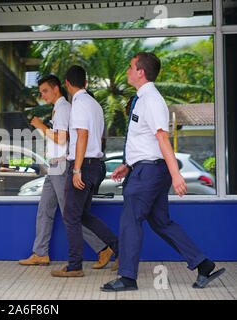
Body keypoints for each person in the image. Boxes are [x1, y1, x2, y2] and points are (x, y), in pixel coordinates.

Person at [101, 52, 225, 292]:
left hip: (149, 174)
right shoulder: (141, 99)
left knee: (130, 220)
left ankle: (127, 278)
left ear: (141, 72)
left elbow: (162, 137)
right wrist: (128, 163)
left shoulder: (152, 100)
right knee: (161, 222)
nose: (126, 71)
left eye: (130, 67)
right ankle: (203, 264)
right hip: (144, 169)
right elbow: (146, 141)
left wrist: (176, 174)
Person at [19, 75, 116, 269]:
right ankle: (40, 253)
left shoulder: (63, 109)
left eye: (45, 91)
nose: (42, 95)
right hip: (53, 167)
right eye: (41, 92)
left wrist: (40, 126)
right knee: (44, 210)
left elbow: (61, 140)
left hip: (61, 167)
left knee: (70, 215)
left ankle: (103, 248)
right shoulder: (59, 109)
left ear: (57, 89)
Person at [51, 66, 119, 277]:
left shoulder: (79, 104)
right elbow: (96, 139)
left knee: (70, 216)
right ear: (86, 83)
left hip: (85, 166)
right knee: (82, 215)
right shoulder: (95, 105)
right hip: (96, 164)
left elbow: (82, 135)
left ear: (67, 84)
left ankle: (74, 266)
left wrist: (77, 169)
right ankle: (120, 248)